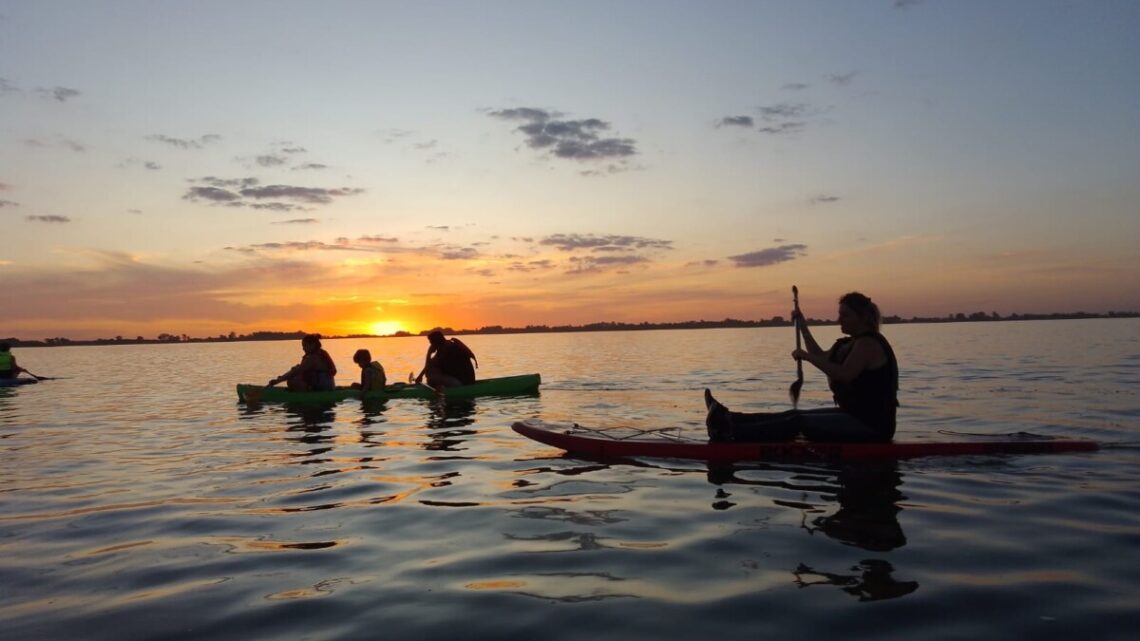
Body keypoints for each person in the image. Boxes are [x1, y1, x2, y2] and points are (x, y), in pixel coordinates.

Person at [705, 291, 898, 443]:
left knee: (799, 422)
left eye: (845, 315)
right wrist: (802, 324)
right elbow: (820, 356)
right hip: (853, 415)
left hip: (872, 426)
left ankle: (730, 432)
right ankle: (728, 418)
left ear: (862, 317)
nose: (839, 320)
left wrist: (806, 357)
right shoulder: (850, 344)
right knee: (795, 414)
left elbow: (844, 375)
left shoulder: (868, 345)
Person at [266, 334, 337, 391]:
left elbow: (296, 371)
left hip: (323, 388)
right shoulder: (321, 352)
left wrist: (277, 381)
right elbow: (300, 370)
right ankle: (307, 389)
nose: (303, 348)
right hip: (328, 385)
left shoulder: (313, 358)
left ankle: (307, 392)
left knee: (292, 381)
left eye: (304, 346)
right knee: (295, 373)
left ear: (312, 345)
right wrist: (282, 378)